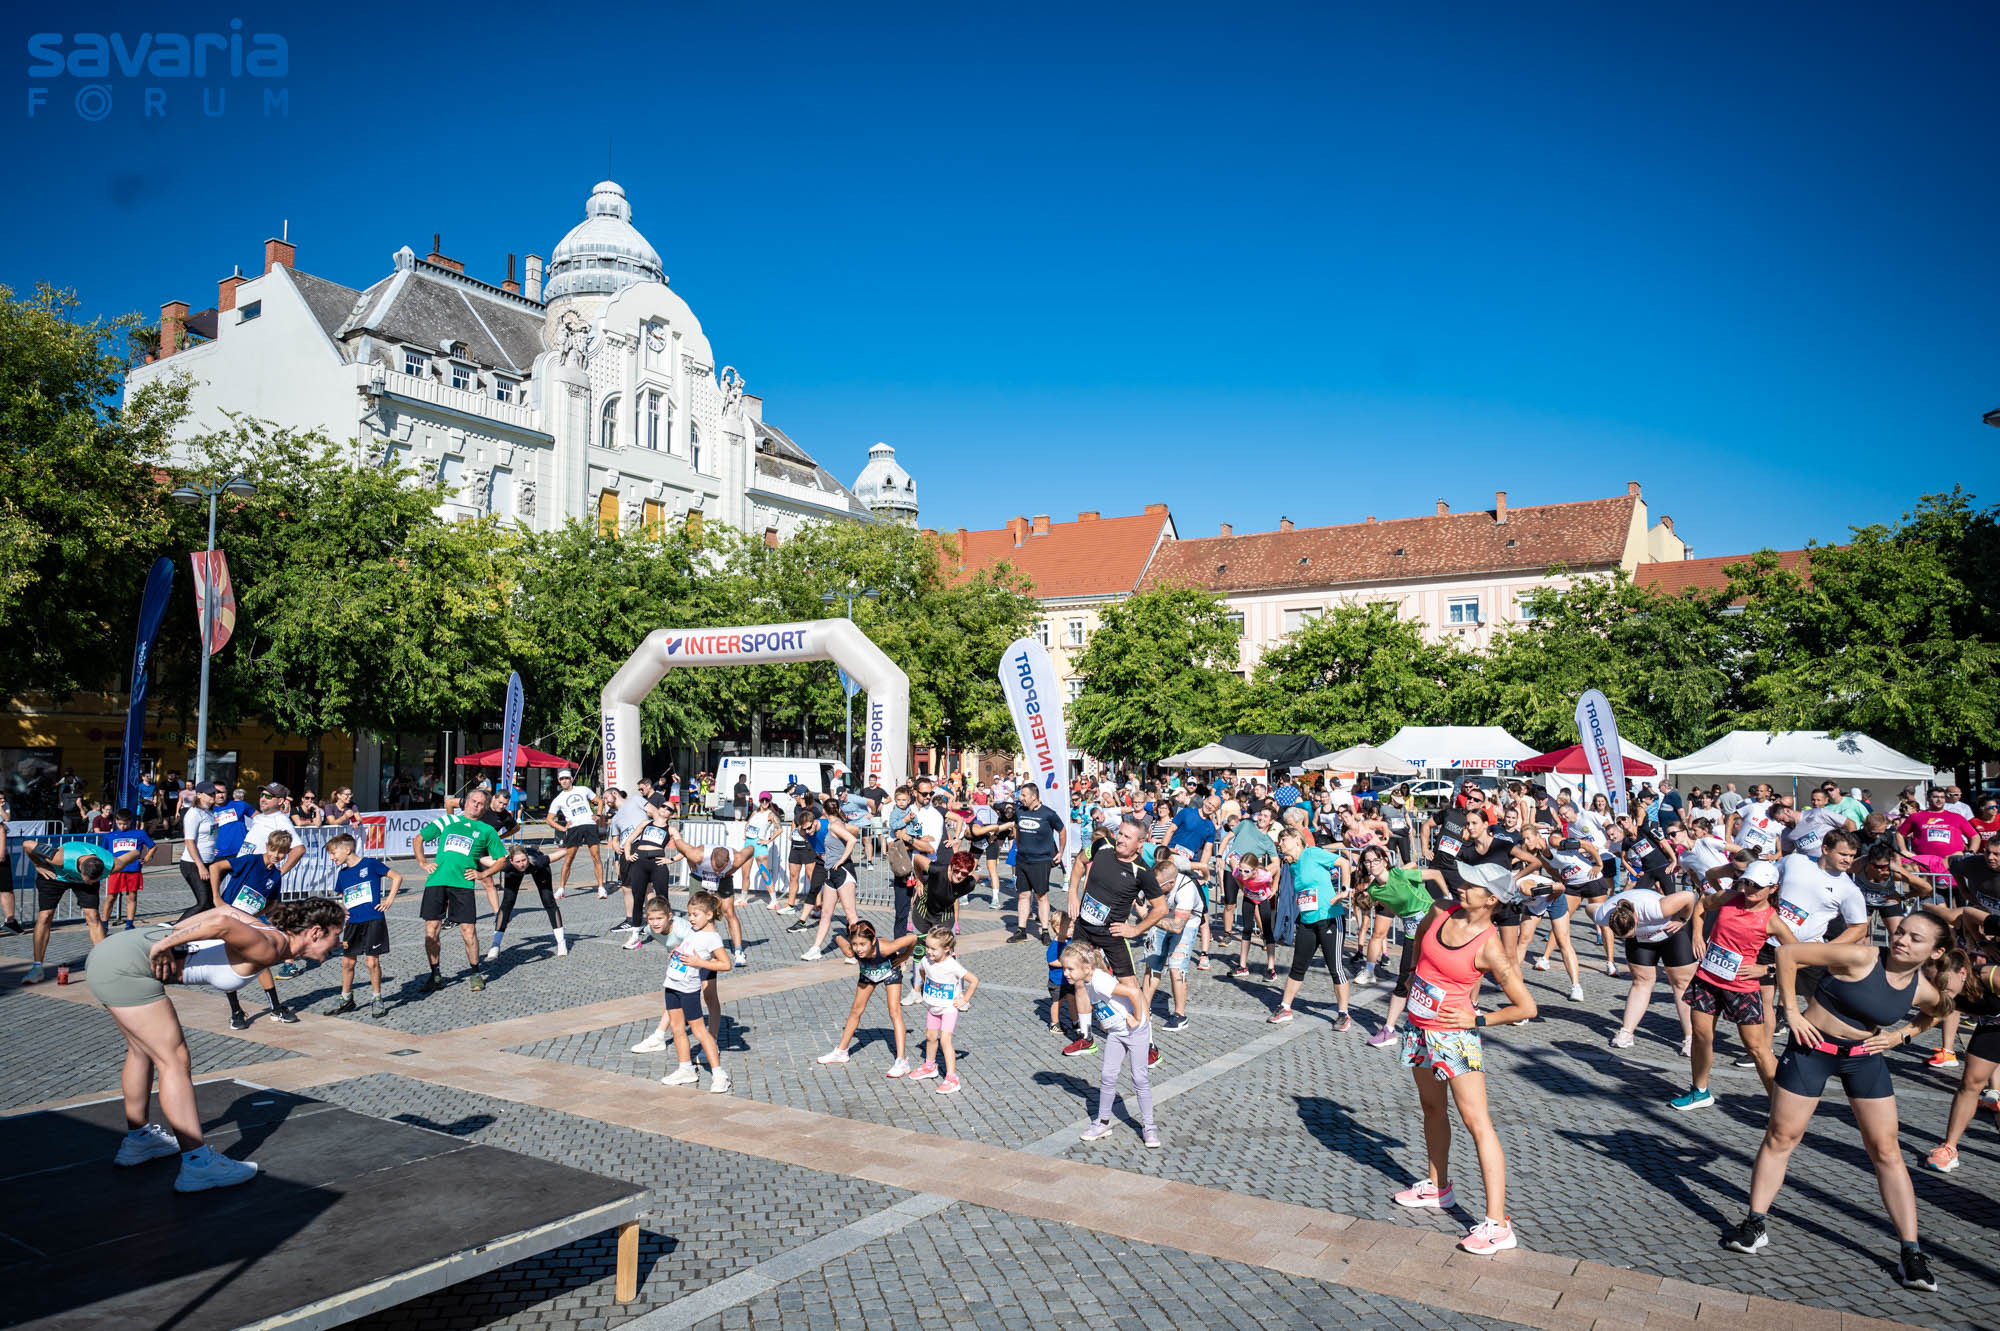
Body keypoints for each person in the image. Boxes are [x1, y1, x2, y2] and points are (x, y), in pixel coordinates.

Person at [1723, 912, 1962, 1293]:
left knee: (1887, 1151)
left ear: (1936, 952)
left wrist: (1900, 1036)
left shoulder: (1920, 988)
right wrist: (1791, 1012)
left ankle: (1911, 1252)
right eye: (1901, 931)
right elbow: (1787, 955)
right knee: (1782, 1137)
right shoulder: (1862, 957)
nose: (1901, 940)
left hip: (1864, 1058)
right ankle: (1755, 1223)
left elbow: (1942, 1010)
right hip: (1811, 1050)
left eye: (1915, 938)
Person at [85, 896, 346, 1191]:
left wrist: (172, 935)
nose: (339, 944)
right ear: (315, 932)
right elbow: (221, 922)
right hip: (125, 965)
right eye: (336, 935)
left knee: (141, 1050)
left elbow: (224, 910)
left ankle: (139, 1141)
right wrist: (165, 944)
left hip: (113, 954)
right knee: (175, 1059)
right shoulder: (269, 946)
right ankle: (198, 1164)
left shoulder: (266, 933)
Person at [1392, 867, 1538, 1255]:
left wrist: (1477, 1019)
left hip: (1455, 1038)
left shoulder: (1491, 947)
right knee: (1431, 1108)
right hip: (1419, 1028)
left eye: (1473, 885)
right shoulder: (1441, 910)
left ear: (1491, 899)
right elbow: (1418, 940)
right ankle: (1438, 1187)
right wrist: (1412, 973)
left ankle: (1498, 1225)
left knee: (1478, 1123)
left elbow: (1526, 1007)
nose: (1462, 886)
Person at [1670, 861, 1792, 1110]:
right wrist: (1697, 935)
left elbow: (1798, 954)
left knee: (1757, 1048)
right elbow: (1702, 903)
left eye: (1757, 886)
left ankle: (1784, 1108)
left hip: (1741, 988)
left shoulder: (1772, 920)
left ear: (1773, 888)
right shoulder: (1729, 897)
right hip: (1707, 978)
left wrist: (1766, 969)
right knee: (1701, 1036)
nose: (1749, 889)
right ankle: (1700, 1092)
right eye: (1747, 883)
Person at [1064, 820, 1168, 1060]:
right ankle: (1086, 1037)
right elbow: (1079, 862)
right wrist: (1072, 893)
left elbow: (1161, 908)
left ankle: (1148, 1046)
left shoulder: (1142, 872)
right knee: (1079, 981)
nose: (1120, 839)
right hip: (1084, 927)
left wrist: (1136, 929)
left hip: (1112, 934)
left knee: (1131, 988)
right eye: (1120, 834)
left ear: (1140, 843)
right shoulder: (1102, 845)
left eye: (1127, 837)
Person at [628, 893, 731, 1092]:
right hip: (672, 984)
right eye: (689, 914)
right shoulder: (693, 930)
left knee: (700, 1032)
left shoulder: (712, 938)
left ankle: (719, 1074)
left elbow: (726, 964)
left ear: (709, 915)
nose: (690, 918)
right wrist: (678, 950)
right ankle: (686, 1069)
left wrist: (699, 962)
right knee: (676, 1029)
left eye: (695, 915)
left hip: (688, 989)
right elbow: (687, 945)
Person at [1066, 940, 1160, 1147]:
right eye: (1065, 968)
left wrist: (1137, 1018)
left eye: (1070, 969)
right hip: (1117, 1033)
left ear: (1086, 968)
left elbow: (1134, 992)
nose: (1066, 973)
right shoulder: (1088, 981)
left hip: (1135, 1032)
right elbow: (1103, 1004)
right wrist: (1105, 1022)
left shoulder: (1100, 980)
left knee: (1140, 1078)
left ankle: (1149, 1127)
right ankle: (1103, 1123)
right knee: (1108, 1076)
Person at [412, 789, 506, 993]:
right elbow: (418, 839)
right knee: (431, 929)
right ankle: (435, 974)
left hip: (463, 885)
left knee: (468, 931)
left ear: (484, 808)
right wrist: (422, 862)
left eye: (480, 804)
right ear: (466, 802)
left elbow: (501, 860)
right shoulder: (448, 821)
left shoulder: (487, 830)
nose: (476, 805)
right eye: (473, 801)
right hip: (437, 881)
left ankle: (475, 972)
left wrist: (483, 874)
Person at [1595, 883, 1701, 1052]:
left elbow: (1689, 896)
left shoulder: (1655, 908)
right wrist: (1631, 936)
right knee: (1641, 981)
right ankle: (1626, 1032)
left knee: (1681, 983)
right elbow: (1591, 908)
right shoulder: (1603, 915)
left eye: (1629, 934)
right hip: (1641, 942)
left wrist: (1681, 919)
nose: (1624, 939)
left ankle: (1691, 1038)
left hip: (1672, 931)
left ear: (1637, 920)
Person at [1270, 828, 1354, 1029]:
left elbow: (1344, 863)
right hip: (1307, 921)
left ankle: (1343, 1013)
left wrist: (1345, 890)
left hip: (1329, 917)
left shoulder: (1312, 853)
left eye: (1283, 839)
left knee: (1335, 967)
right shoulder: (1292, 866)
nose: (1280, 843)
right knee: (1298, 965)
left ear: (1297, 840)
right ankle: (1285, 1007)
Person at [816, 919, 920, 1076]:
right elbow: (838, 938)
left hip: (890, 970)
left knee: (894, 1011)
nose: (858, 949)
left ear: (872, 941)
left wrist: (905, 956)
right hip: (868, 972)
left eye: (862, 944)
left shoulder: (886, 948)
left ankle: (902, 1061)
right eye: (855, 944)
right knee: (855, 1010)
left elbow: (913, 938)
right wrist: (841, 938)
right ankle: (841, 1052)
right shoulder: (850, 950)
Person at [22, 834, 123, 982]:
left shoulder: (112, 864)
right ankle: (37, 968)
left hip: (86, 876)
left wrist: (139, 853)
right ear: (81, 870)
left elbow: (132, 855)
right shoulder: (57, 857)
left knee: (93, 916)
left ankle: (103, 965)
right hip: (56, 875)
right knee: (45, 916)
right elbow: (27, 844)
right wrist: (38, 865)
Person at [326, 832, 401, 1015]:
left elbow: (397, 877)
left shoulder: (370, 864)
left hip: (373, 920)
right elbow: (343, 894)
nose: (332, 858)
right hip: (353, 923)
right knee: (347, 962)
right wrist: (344, 909)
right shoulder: (343, 874)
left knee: (371, 962)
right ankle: (346, 998)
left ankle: (377, 998)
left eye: (333, 853)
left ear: (347, 849)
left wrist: (389, 900)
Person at [911, 925, 978, 1094]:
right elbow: (923, 971)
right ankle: (930, 1066)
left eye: (933, 949)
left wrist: (964, 999)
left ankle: (951, 1078)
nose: (929, 951)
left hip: (948, 1008)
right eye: (927, 947)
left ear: (947, 948)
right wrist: (926, 985)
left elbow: (974, 980)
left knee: (945, 1040)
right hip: (933, 1006)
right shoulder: (926, 961)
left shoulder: (952, 965)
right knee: (930, 1036)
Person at [1140, 855, 1200, 1032]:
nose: (1154, 890)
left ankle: (1180, 1015)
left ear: (1171, 883)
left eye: (1158, 887)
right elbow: (1137, 899)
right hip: (1161, 918)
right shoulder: (1154, 881)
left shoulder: (1186, 889)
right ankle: (1144, 1009)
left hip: (1186, 923)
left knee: (1176, 967)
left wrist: (1147, 917)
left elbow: (1177, 927)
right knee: (1152, 964)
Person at [1004, 783, 1066, 944]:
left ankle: (1044, 931)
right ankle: (1021, 930)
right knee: (1023, 895)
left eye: (1024, 795)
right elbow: (1016, 828)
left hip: (1041, 861)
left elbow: (1062, 830)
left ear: (1034, 796)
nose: (1020, 798)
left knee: (1041, 896)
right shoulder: (1020, 811)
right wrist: (1018, 847)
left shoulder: (1048, 814)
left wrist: (1061, 852)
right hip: (1023, 859)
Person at [486, 844, 568, 961]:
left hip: (538, 868)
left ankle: (561, 942)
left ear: (527, 858)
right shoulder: (507, 864)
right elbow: (483, 860)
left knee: (548, 901)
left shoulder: (538, 861)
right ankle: (495, 944)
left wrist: (570, 848)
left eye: (524, 860)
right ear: (511, 861)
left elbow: (559, 854)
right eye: (518, 861)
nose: (522, 864)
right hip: (513, 871)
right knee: (507, 903)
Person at [546, 770, 603, 898]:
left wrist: (598, 815)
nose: (565, 781)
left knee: (596, 856)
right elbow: (549, 819)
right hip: (574, 828)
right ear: (559, 781)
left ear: (571, 779)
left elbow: (599, 801)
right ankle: (561, 889)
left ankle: (601, 887)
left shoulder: (583, 789)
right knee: (569, 858)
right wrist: (562, 828)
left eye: (567, 778)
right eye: (562, 779)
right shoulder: (558, 799)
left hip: (589, 824)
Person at [103, 809, 158, 928]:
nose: (123, 826)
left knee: (131, 897)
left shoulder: (139, 834)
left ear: (130, 821)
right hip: (116, 870)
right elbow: (104, 853)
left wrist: (146, 857)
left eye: (125, 824)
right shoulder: (109, 836)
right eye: (120, 824)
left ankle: (129, 923)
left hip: (133, 870)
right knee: (111, 897)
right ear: (116, 822)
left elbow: (153, 846)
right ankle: (104, 923)